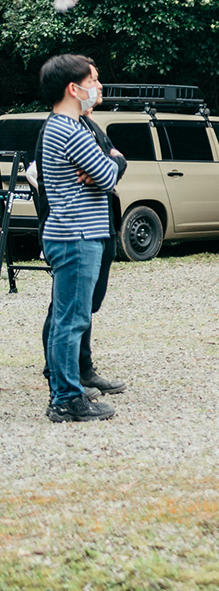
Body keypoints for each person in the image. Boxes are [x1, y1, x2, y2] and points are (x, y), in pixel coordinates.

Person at [36, 54, 125, 423]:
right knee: (71, 322)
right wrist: (110, 160)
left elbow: (105, 168)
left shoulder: (65, 127)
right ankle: (66, 399)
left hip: (74, 233)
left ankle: (66, 393)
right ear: (74, 88)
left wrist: (108, 162)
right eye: (94, 80)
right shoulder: (68, 129)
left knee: (67, 319)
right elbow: (108, 174)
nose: (98, 86)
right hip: (77, 235)